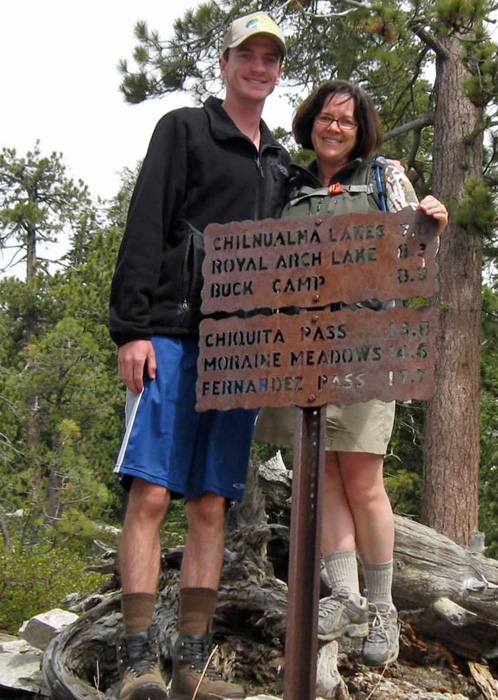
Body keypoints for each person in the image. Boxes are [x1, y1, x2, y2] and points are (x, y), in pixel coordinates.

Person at [109, 12, 290, 700]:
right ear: (225, 62)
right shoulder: (184, 129)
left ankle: (191, 666)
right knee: (153, 491)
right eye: (248, 54)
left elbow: (326, 219)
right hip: (170, 334)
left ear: (278, 71)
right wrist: (132, 329)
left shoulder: (280, 162)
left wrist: (406, 195)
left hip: (238, 352)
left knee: (211, 504)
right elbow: (146, 223)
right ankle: (136, 663)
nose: (258, 67)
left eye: (270, 58)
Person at [255, 79, 448, 667]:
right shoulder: (290, 183)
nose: (334, 127)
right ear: (310, 121)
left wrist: (432, 222)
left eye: (346, 120)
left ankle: (383, 608)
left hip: (366, 346)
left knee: (362, 479)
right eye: (326, 117)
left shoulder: (383, 177)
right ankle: (345, 598)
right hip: (301, 349)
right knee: (320, 476)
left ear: (361, 131)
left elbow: (418, 257)